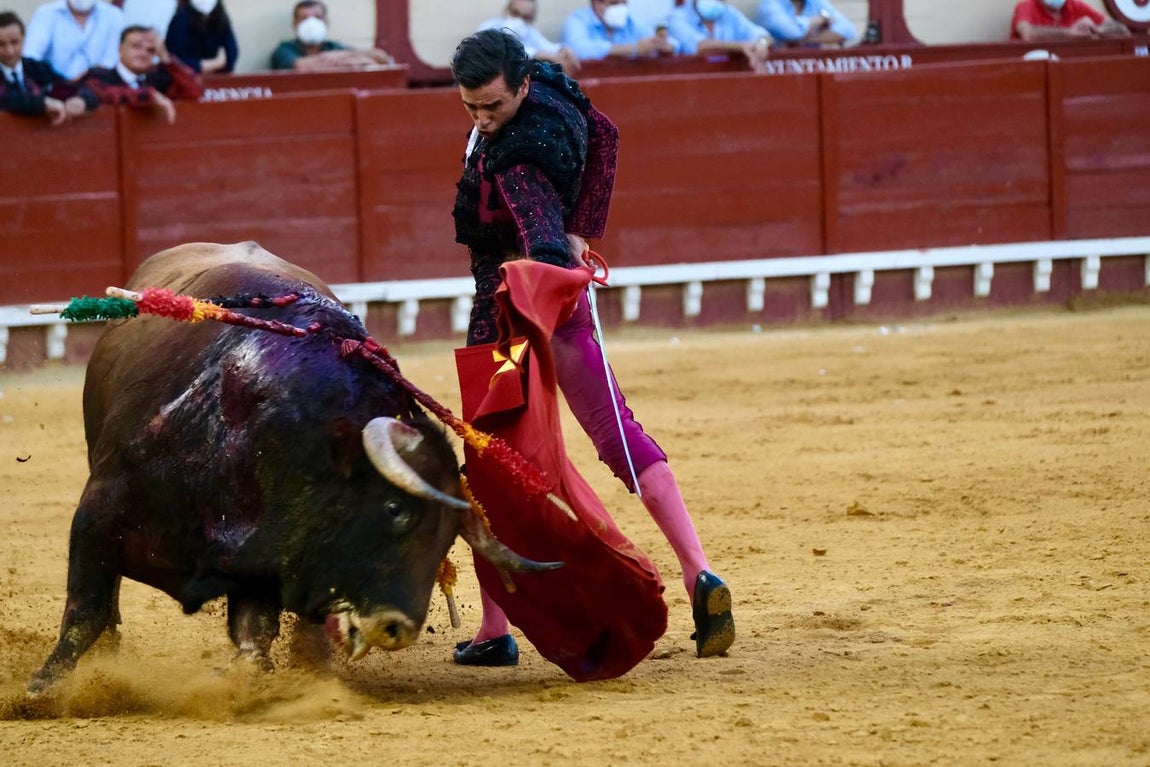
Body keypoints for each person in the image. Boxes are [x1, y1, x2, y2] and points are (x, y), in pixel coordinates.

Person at [449, 28, 735, 666]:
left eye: (492, 105)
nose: (482, 119)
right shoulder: (551, 86)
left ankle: (495, 630)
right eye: (471, 107)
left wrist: (546, 274)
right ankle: (699, 573)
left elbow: (541, 241)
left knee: (488, 458)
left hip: (511, 316)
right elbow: (605, 135)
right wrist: (585, 230)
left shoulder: (515, 161)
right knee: (616, 433)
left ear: (520, 85)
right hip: (566, 305)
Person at [81, 24, 203, 124]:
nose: (143, 53)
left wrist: (166, 58)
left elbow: (195, 91)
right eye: (136, 46)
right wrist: (149, 96)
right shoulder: (100, 75)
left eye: (151, 50)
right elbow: (104, 94)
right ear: (120, 49)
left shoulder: (160, 79)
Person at [0, 10, 98, 124]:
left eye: (14, 42)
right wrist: (43, 103)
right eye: (1, 44)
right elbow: (7, 100)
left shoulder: (38, 69)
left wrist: (82, 99)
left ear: (24, 39)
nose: (9, 51)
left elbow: (70, 87)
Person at [270, 0, 394, 71]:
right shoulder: (284, 50)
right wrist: (344, 60)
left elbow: (380, 57)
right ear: (295, 24)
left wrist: (338, 55)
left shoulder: (333, 47)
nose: (311, 23)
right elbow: (300, 66)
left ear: (326, 22)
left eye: (317, 17)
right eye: (304, 18)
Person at [23, 0, 125, 79]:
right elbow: (31, 55)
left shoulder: (114, 16)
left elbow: (113, 59)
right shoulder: (46, 13)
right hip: (53, 88)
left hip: (100, 89)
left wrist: (90, 76)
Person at [478, 0, 580, 74]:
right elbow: (500, 52)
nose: (519, 20)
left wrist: (564, 49)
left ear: (532, 19)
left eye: (525, 18)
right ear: (506, 10)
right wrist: (538, 54)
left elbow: (549, 48)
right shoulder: (488, 28)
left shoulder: (530, 32)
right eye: (515, 13)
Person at [666, 0, 771, 72]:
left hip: (731, 85)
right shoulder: (677, 17)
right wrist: (741, 46)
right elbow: (699, 47)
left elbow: (760, 34)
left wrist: (761, 44)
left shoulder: (728, 12)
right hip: (692, 85)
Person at [562, 0, 679, 61]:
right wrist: (632, 49)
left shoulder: (630, 22)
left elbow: (674, 44)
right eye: (614, 3)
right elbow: (577, 49)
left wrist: (664, 45)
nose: (620, 8)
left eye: (624, 3)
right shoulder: (577, 20)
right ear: (596, 2)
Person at [164, 0, 238, 74]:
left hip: (215, 77)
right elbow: (176, 61)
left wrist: (220, 64)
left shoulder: (220, 17)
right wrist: (214, 64)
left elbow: (231, 55)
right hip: (187, 79)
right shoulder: (181, 19)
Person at [1011, 0, 1130, 41]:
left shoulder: (1075, 5)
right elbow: (1027, 33)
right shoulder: (1026, 6)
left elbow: (1122, 30)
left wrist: (1095, 29)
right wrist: (1070, 32)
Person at [755, 0, 856, 48]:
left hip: (810, 65)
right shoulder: (770, 4)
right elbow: (793, 32)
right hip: (774, 71)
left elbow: (848, 30)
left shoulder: (814, 2)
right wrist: (818, 20)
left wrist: (811, 39)